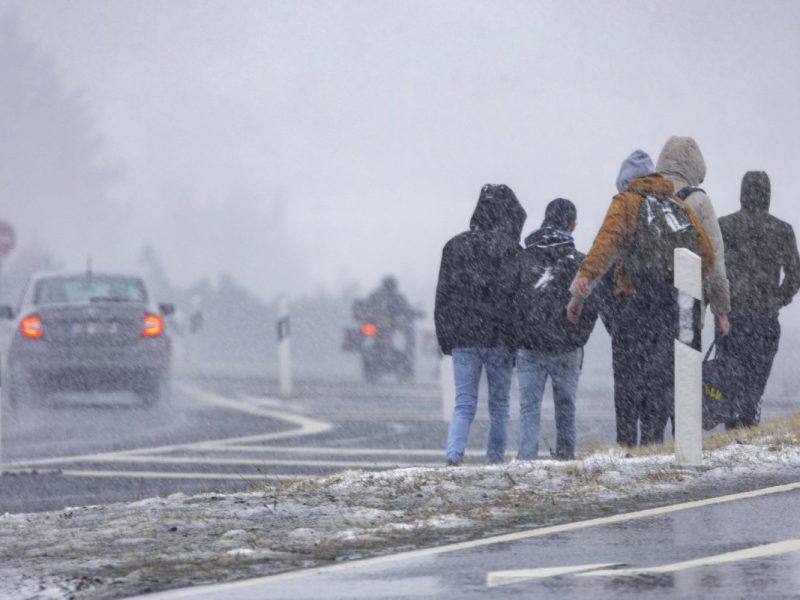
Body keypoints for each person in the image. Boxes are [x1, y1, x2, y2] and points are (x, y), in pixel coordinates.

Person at [566, 167, 715, 445]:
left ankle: (626, 445)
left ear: (628, 181)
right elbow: (706, 257)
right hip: (671, 308)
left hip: (633, 304)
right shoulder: (678, 205)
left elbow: (604, 244)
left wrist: (581, 286)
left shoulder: (625, 202)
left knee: (627, 380)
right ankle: (652, 442)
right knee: (659, 380)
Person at [435, 183, 526, 466]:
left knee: (463, 404)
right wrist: (517, 339)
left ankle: (453, 456)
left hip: (464, 337)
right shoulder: (512, 250)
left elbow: (443, 296)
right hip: (499, 339)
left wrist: (446, 338)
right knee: (499, 406)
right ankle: (494, 460)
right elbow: (517, 299)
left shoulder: (454, 246)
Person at [512, 198, 599, 460]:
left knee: (529, 408)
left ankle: (526, 461)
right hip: (567, 347)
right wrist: (577, 337)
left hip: (529, 346)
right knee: (565, 407)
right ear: (572, 226)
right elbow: (592, 305)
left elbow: (511, 300)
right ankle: (565, 458)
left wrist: (520, 335)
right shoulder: (580, 262)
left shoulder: (523, 257)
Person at [717, 171, 800, 428]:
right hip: (764, 320)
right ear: (768, 195)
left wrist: (720, 304)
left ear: (742, 193)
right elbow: (795, 275)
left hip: (731, 318)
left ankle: (733, 428)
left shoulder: (724, 226)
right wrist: (777, 300)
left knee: (731, 382)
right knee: (755, 384)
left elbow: (713, 270)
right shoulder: (782, 230)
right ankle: (749, 423)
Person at [595, 149, 657, 447]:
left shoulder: (621, 210)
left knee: (627, 390)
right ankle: (654, 445)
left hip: (627, 321)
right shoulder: (668, 210)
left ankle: (627, 447)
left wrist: (614, 321)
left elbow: (602, 274)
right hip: (660, 319)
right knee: (656, 388)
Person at [656, 136, 731, 336]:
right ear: (695, 164)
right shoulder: (699, 200)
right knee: (685, 366)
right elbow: (715, 259)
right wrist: (721, 311)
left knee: (651, 365)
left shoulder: (644, 194)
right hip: (687, 305)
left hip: (648, 305)